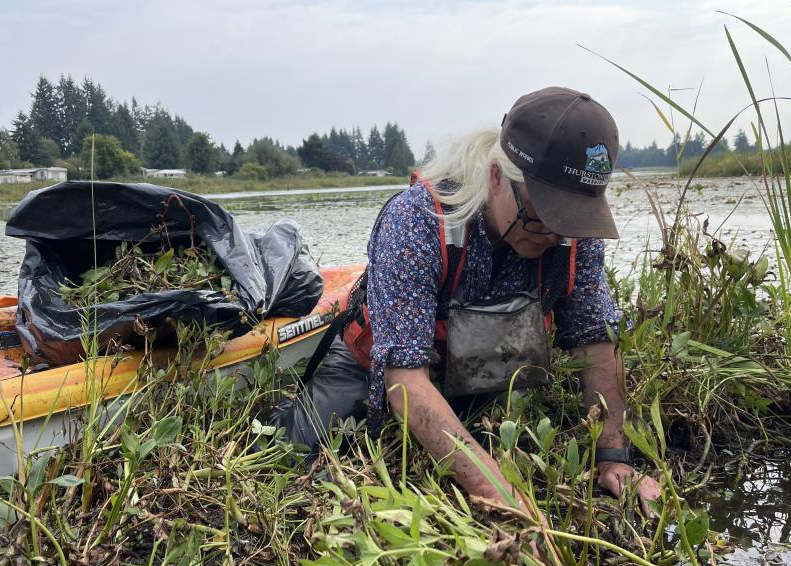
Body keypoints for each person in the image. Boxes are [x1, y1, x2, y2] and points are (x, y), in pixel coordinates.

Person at [270, 86, 661, 514]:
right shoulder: (416, 219)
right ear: (497, 176)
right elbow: (405, 383)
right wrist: (497, 492)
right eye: (541, 215)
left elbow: (594, 342)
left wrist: (613, 456)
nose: (554, 235)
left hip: (483, 374)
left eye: (568, 220)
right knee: (291, 459)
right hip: (381, 370)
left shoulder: (574, 234)